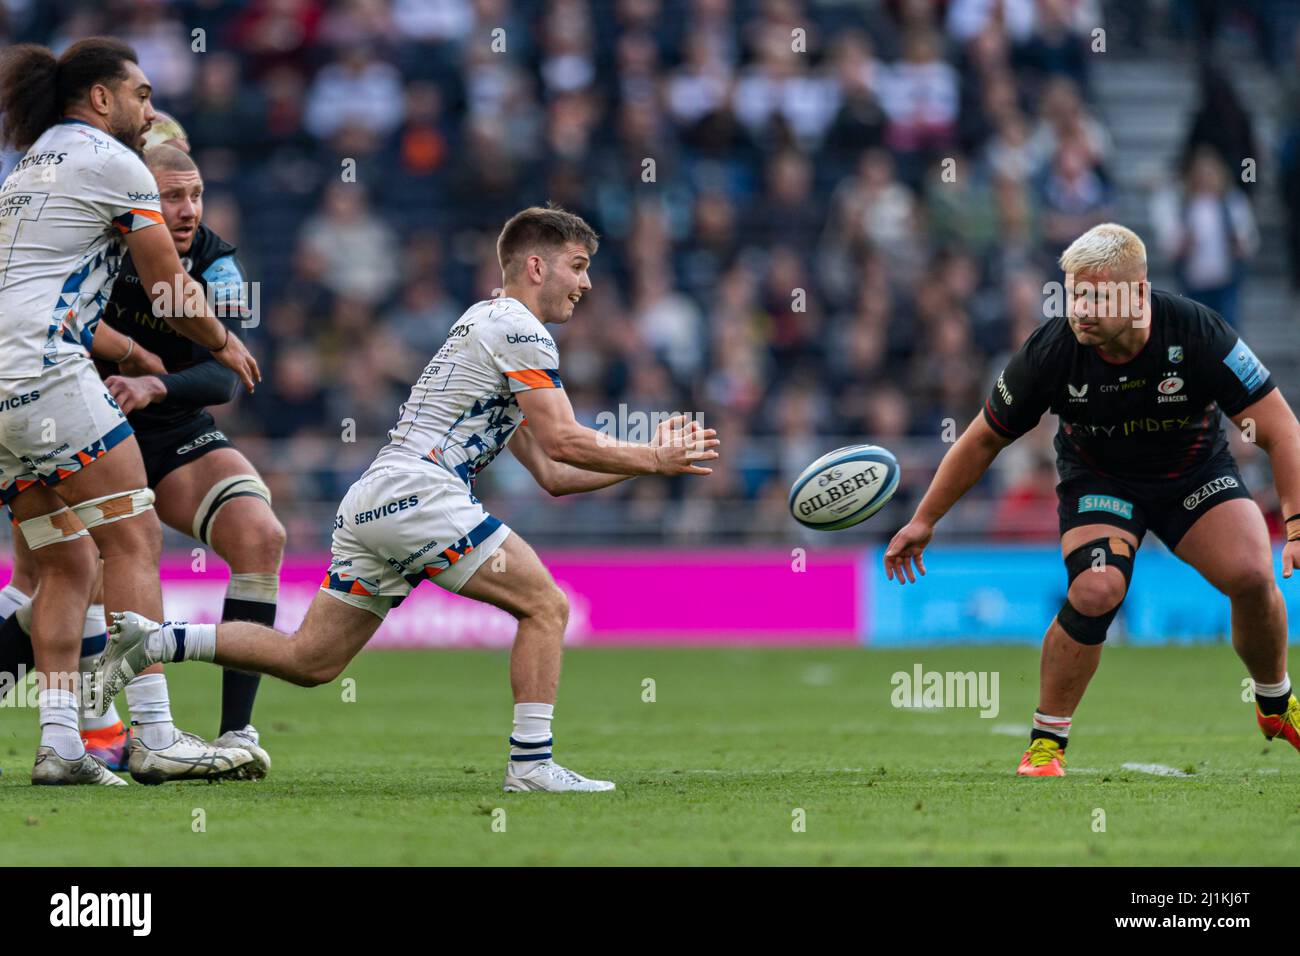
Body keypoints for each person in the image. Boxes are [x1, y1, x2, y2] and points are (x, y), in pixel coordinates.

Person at [94, 205, 720, 793]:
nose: (585, 284)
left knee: (309, 660)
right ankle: (531, 765)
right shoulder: (518, 328)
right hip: (423, 493)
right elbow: (563, 439)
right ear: (536, 266)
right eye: (578, 266)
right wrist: (652, 455)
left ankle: (157, 640)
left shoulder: (485, 324)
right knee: (546, 606)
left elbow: (554, 473)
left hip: (377, 499)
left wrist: (649, 467)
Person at [883, 222, 1300, 776]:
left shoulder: (1198, 332)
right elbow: (984, 436)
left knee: (1252, 573)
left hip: (1193, 475)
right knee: (1097, 589)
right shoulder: (1052, 350)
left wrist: (1294, 523)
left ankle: (1274, 703)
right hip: (1101, 482)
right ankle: (1046, 744)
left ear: (1139, 292)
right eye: (1075, 292)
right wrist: (923, 519)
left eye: (1097, 295)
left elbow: (1279, 429)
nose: (1080, 307)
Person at [0, 37, 259, 785]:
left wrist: (134, 354)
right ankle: (154, 734)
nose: (151, 111)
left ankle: (60, 748)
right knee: (133, 539)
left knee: (66, 559)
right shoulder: (116, 166)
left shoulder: (28, 168)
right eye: (142, 95)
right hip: (48, 372)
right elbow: (171, 286)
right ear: (102, 98)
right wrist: (224, 342)